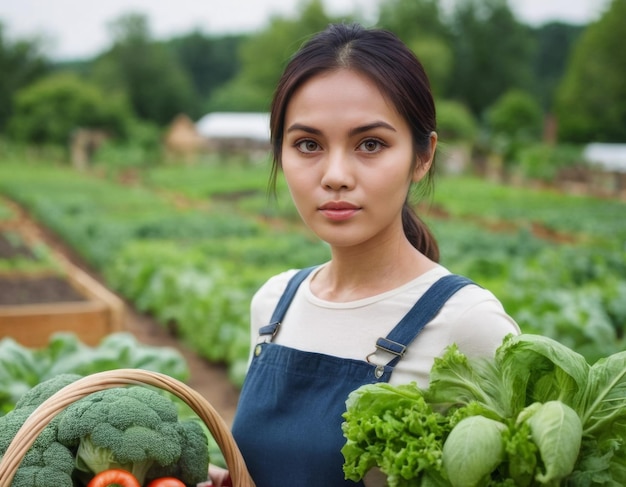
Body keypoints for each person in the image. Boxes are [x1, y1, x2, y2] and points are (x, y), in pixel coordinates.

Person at [210, 22, 520, 487]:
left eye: (370, 144)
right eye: (308, 145)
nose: (335, 174)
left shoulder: (469, 326)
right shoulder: (275, 303)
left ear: (422, 156)